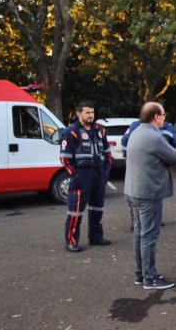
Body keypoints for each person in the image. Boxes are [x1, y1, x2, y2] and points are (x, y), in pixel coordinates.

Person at [123, 102, 176, 290]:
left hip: (133, 191)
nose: (165, 118)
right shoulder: (154, 137)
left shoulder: (136, 132)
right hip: (148, 193)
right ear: (156, 116)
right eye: (163, 114)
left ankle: (140, 274)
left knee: (140, 235)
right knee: (149, 236)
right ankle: (150, 278)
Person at [60, 101, 112, 253]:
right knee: (76, 210)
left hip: (98, 174)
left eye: (92, 112)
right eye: (87, 112)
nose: (91, 115)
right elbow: (65, 158)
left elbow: (107, 153)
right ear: (79, 113)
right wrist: (75, 175)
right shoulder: (71, 132)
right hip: (81, 176)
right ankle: (71, 241)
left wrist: (105, 172)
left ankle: (96, 237)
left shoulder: (100, 130)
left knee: (97, 208)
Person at [122, 118, 176, 232]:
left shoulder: (168, 128)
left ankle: (154, 218)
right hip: (139, 170)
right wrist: (127, 157)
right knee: (137, 197)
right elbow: (124, 142)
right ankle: (136, 220)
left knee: (155, 196)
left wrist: (167, 157)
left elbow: (174, 146)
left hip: (157, 171)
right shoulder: (136, 126)